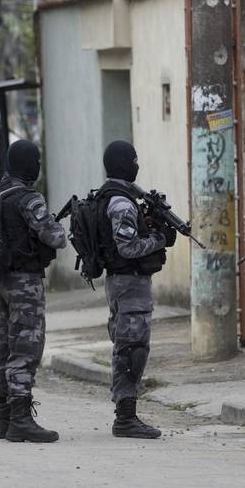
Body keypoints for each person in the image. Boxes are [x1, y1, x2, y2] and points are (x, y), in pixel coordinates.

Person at [95, 140, 175, 439]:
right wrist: (159, 239)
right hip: (129, 283)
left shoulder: (114, 196)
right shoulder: (121, 203)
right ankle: (125, 417)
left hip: (122, 283)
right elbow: (127, 248)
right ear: (125, 163)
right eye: (134, 160)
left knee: (127, 345)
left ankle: (126, 413)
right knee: (131, 349)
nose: (137, 165)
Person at [0, 140, 67, 443]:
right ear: (28, 164)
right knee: (25, 347)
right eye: (35, 160)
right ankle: (21, 419)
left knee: (5, 347)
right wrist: (60, 229)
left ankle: (4, 418)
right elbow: (54, 237)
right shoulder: (28, 198)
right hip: (25, 283)